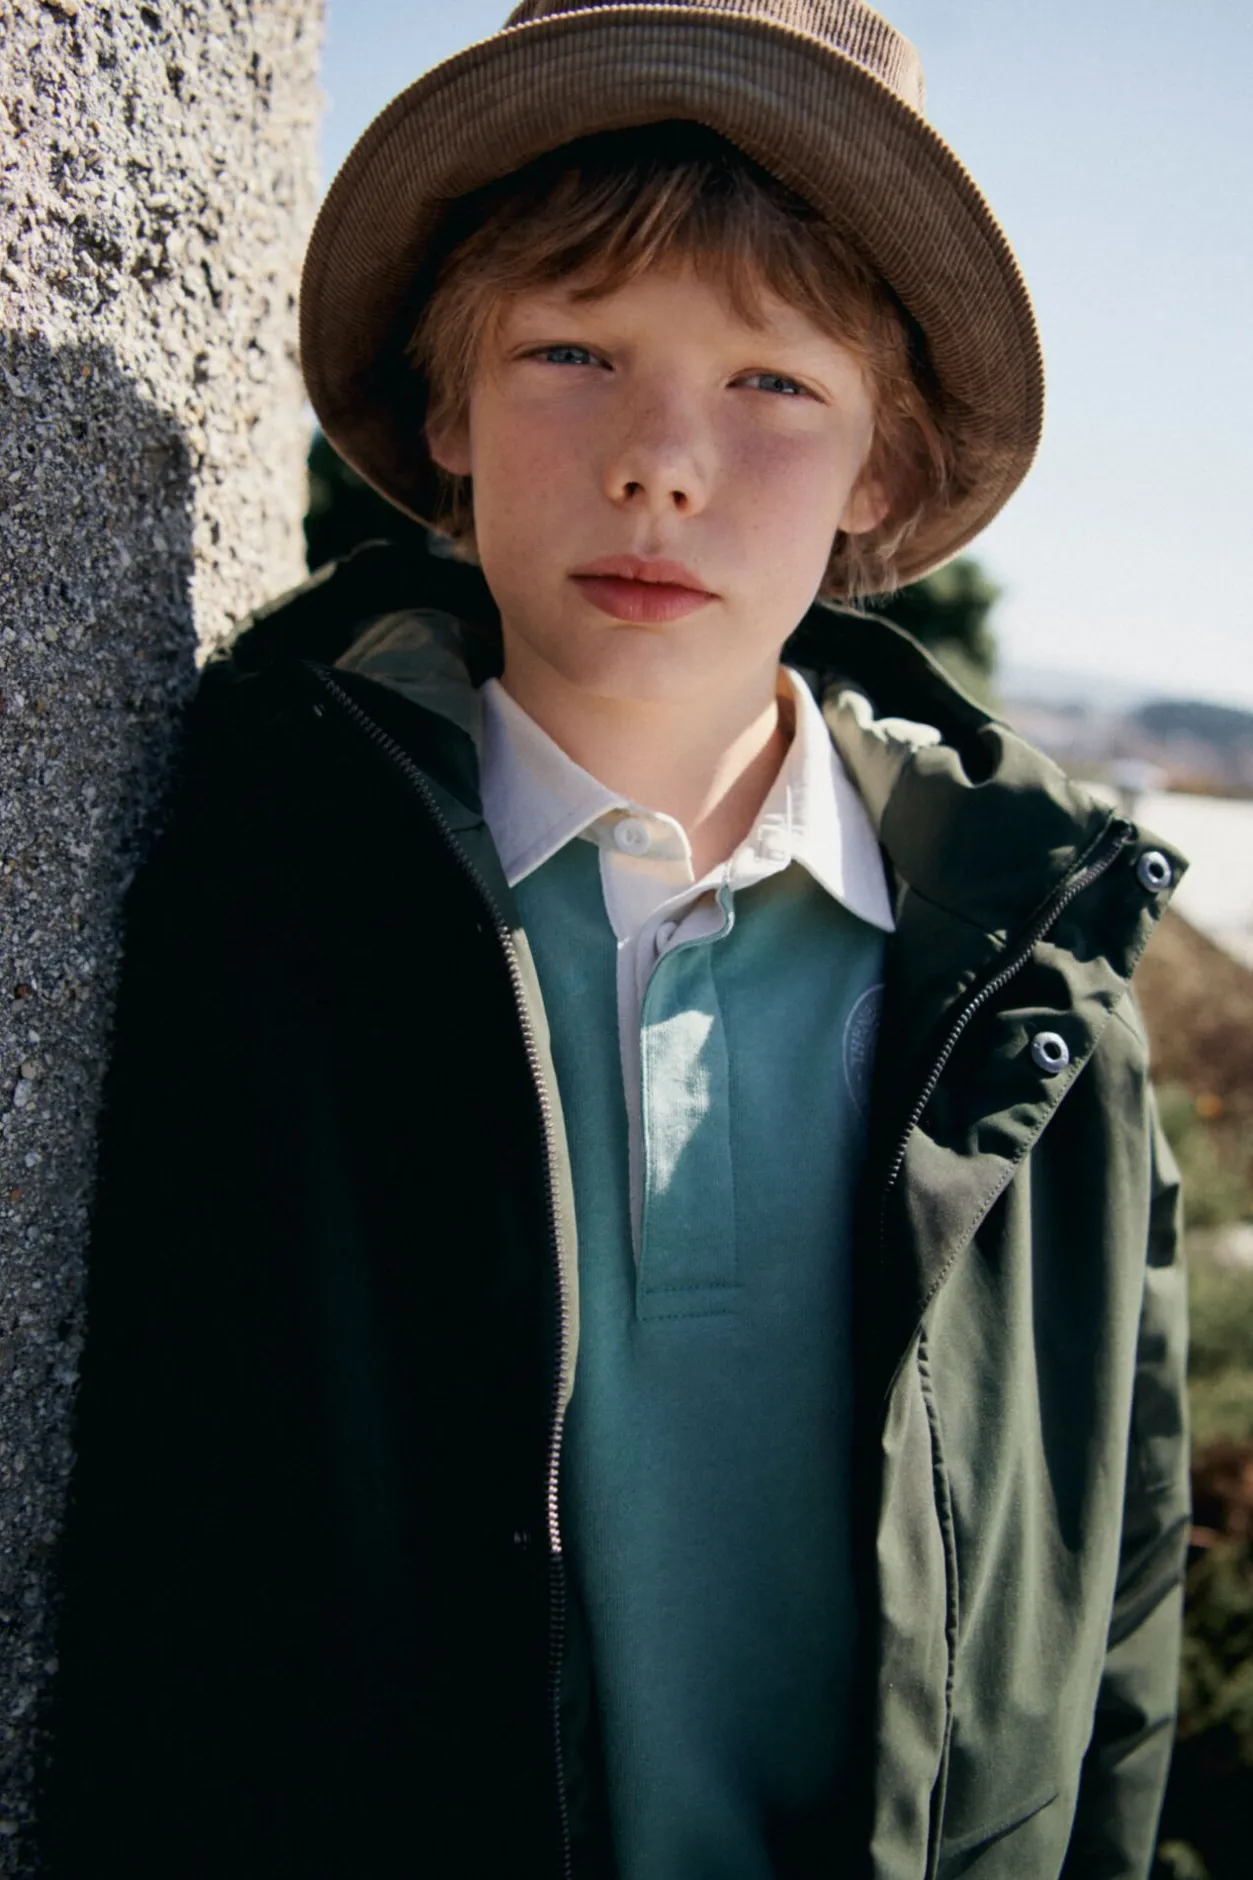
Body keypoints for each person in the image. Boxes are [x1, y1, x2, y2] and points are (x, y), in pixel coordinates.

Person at [44, 3, 1190, 1876]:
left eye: (775, 384)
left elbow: (1118, 1598)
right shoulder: (279, 903)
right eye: (571, 350)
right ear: (449, 411)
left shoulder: (1039, 982)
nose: (662, 462)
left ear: (883, 470)